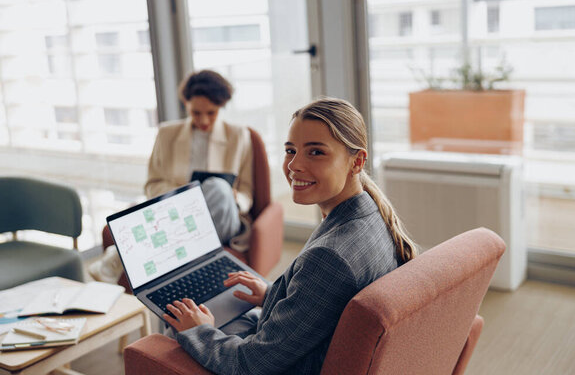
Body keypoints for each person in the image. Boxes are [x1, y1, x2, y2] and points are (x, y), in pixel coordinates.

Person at [162, 97, 419, 374]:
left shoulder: (329, 258)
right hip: (303, 346)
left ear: (357, 162)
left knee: (175, 328)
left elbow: (249, 365)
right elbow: (327, 303)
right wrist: (274, 294)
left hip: (289, 366)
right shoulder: (370, 215)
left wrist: (199, 332)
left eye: (316, 152)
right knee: (215, 313)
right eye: (290, 150)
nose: (294, 165)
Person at [89, 70, 253, 283]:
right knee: (151, 212)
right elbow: (152, 184)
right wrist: (185, 196)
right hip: (175, 213)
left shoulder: (239, 135)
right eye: (196, 113)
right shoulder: (167, 134)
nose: (203, 120)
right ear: (186, 104)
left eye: (211, 113)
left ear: (221, 107)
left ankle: (119, 258)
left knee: (218, 187)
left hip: (223, 218)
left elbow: (248, 191)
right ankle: (173, 268)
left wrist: (234, 196)